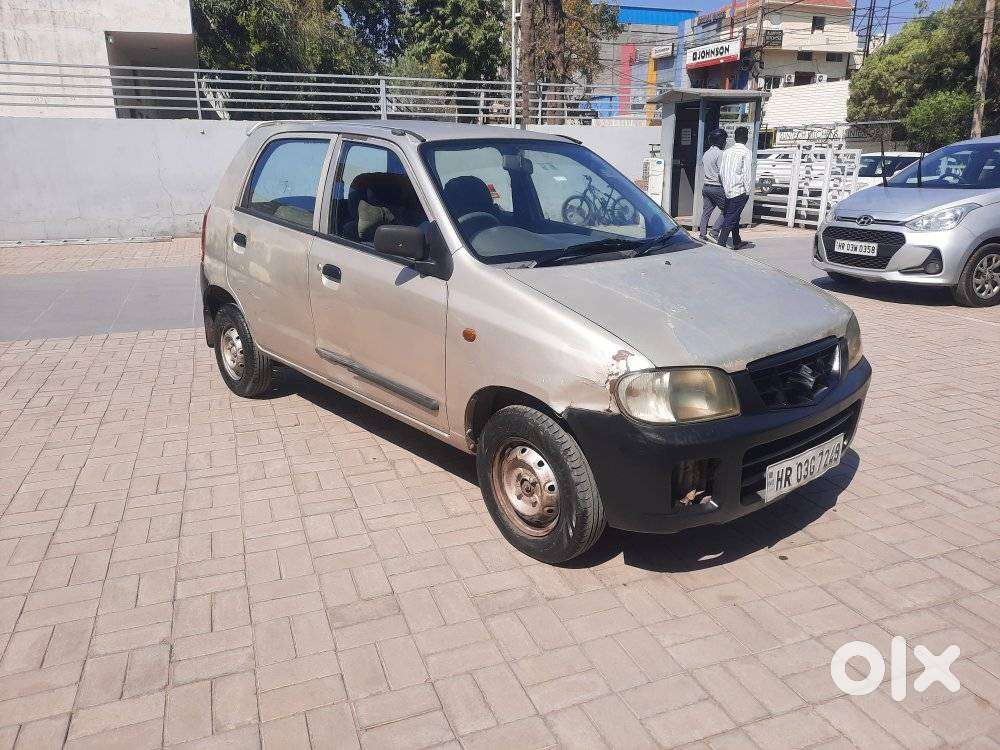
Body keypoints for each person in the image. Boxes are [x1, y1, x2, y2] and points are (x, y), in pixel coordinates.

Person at [717, 126, 754, 250]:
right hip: (739, 190)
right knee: (731, 218)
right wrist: (748, 191)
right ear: (746, 138)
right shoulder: (746, 152)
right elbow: (747, 174)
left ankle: (737, 241)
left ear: (735, 137)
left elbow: (721, 172)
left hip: (728, 190)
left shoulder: (727, 152)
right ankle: (721, 243)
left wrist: (726, 186)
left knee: (734, 216)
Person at [698, 128, 728, 241]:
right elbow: (722, 172)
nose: (725, 142)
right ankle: (714, 232)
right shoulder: (720, 154)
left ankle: (702, 234)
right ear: (720, 140)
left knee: (706, 212)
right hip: (717, 187)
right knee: (728, 210)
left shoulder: (706, 153)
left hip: (706, 187)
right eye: (724, 140)